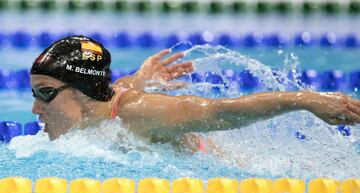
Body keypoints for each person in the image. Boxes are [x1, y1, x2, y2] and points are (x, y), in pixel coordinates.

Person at [30, 35, 360, 148]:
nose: (35, 109)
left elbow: (223, 112)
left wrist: (305, 100)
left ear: (82, 90)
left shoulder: (139, 113)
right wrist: (144, 76)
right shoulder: (103, 101)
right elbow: (123, 84)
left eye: (44, 93)